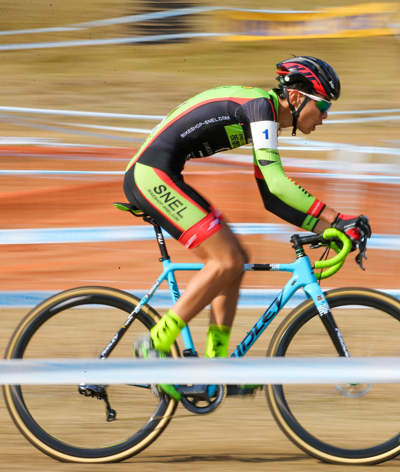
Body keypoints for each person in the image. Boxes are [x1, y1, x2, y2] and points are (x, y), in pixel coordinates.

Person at [124, 56, 371, 400]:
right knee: (224, 261)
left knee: (235, 261)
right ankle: (154, 342)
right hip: (151, 174)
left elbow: (271, 197)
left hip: (163, 173)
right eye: (324, 105)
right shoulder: (261, 109)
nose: (326, 116)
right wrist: (338, 218)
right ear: (297, 98)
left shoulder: (263, 116)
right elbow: (278, 182)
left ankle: (215, 368)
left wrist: (325, 225)